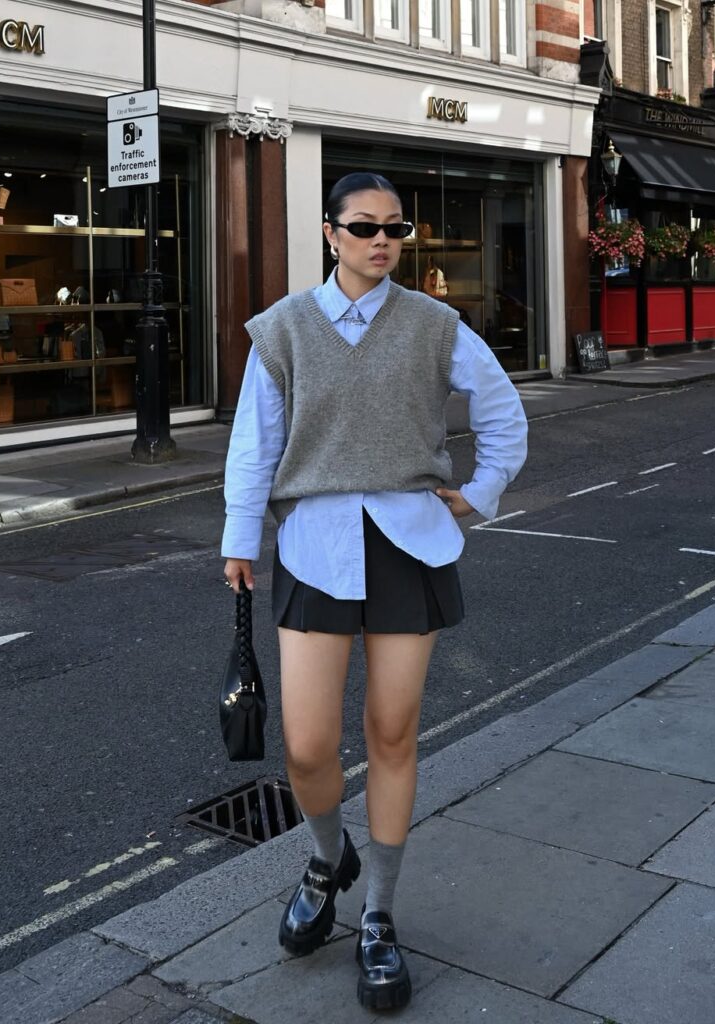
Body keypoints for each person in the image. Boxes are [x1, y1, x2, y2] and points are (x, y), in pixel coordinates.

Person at [222, 172, 527, 1011]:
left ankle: (380, 917)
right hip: (315, 547)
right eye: (364, 227)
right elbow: (254, 445)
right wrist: (239, 538)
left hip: (408, 546)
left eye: (396, 229)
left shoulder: (436, 325)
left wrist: (483, 487)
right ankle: (328, 860)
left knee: (391, 734)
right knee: (308, 746)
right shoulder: (281, 331)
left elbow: (503, 414)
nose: (382, 242)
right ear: (330, 234)